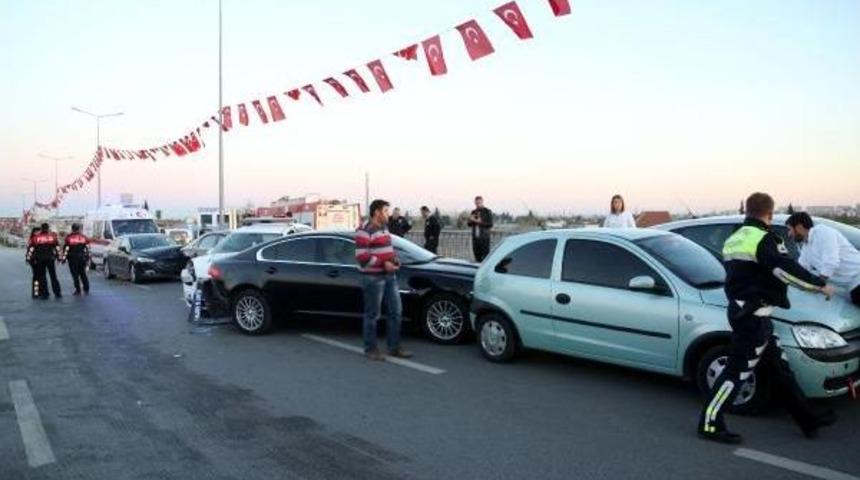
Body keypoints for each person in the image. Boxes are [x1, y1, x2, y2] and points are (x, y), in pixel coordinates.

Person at [699, 193, 836, 444]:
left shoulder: (733, 239)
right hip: (753, 318)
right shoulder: (764, 239)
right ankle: (709, 423)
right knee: (736, 373)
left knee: (781, 370)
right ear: (769, 214)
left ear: (747, 211)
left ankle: (807, 419)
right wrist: (819, 285)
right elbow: (786, 270)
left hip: (748, 313)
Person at [355, 199, 413, 361]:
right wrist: (383, 263)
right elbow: (361, 257)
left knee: (396, 312)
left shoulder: (384, 229)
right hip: (373, 278)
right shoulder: (365, 229)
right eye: (386, 211)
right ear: (377, 212)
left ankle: (394, 347)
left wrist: (394, 259)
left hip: (389, 276)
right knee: (372, 314)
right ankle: (370, 349)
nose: (389, 214)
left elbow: (387, 250)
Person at [786, 212, 860, 307]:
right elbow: (801, 270)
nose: (789, 234)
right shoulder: (806, 246)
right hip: (853, 287)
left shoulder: (822, 232)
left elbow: (831, 262)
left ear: (799, 227)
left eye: (789, 229)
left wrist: (819, 285)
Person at [26, 223, 62, 299]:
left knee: (42, 277)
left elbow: (31, 249)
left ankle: (44, 293)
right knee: (53, 276)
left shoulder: (36, 238)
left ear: (41, 229)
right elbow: (58, 249)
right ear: (48, 228)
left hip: (40, 259)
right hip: (50, 259)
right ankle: (57, 293)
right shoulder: (52, 237)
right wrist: (59, 258)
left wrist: (28, 258)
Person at [63, 223, 91, 295]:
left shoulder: (68, 237)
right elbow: (88, 248)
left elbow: (66, 249)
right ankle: (86, 288)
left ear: (72, 229)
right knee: (82, 273)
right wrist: (87, 258)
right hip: (82, 258)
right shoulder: (84, 237)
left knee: (75, 275)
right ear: (78, 229)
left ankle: (78, 289)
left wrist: (64, 258)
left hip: (72, 258)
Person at [468, 196, 493, 262]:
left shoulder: (487, 211)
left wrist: (480, 222)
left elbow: (490, 224)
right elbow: (469, 224)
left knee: (485, 258)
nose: (477, 205)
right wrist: (471, 220)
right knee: (477, 257)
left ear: (482, 202)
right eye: (476, 203)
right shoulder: (473, 212)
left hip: (484, 238)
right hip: (475, 238)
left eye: (479, 203)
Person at [25, 227, 40, 298]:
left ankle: (37, 292)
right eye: (38, 232)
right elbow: (30, 250)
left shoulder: (34, 239)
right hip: (34, 259)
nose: (39, 233)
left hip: (35, 259)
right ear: (34, 232)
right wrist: (28, 259)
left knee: (38, 276)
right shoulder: (33, 239)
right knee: (36, 276)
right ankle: (36, 292)